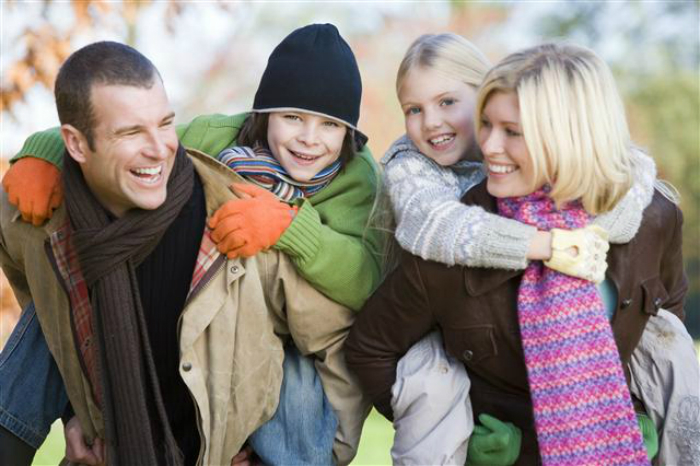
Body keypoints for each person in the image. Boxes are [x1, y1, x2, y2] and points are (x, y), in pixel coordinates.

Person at [0, 34, 377, 466]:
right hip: (189, 318)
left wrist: (291, 228)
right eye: (293, 116)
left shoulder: (358, 180)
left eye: (330, 124)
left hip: (284, 337)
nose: (310, 139)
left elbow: (366, 281)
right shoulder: (214, 137)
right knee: (66, 299)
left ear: (349, 132)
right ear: (264, 113)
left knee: (299, 373)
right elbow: (115, 132)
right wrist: (41, 153)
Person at [346, 43, 693, 465]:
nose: (488, 146)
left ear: (568, 132)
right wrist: (466, 437)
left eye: (511, 131)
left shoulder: (651, 217)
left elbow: (662, 321)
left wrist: (636, 409)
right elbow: (371, 349)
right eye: (486, 125)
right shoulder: (453, 241)